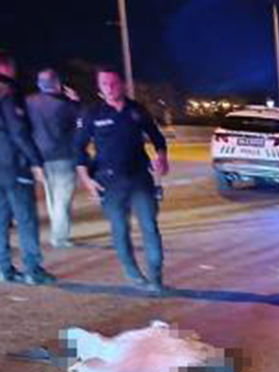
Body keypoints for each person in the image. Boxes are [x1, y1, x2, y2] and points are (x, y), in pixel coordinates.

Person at [74, 66, 169, 293]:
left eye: (113, 83)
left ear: (123, 84)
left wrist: (162, 158)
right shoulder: (93, 113)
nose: (109, 88)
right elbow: (78, 149)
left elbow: (157, 138)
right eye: (104, 84)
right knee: (120, 229)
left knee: (150, 227)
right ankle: (133, 272)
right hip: (109, 181)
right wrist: (86, 180)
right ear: (99, 87)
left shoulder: (137, 110)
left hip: (140, 179)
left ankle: (156, 277)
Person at [0, 50, 55, 285]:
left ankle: (4, 269)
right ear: (7, 67)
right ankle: (33, 269)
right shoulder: (8, 90)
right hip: (14, 165)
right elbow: (18, 131)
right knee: (26, 219)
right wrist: (35, 161)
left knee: (0, 220)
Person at [26, 68, 80, 248]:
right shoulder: (65, 104)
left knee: (52, 199)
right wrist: (75, 101)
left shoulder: (29, 102)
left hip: (41, 158)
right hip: (64, 156)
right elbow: (81, 121)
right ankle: (60, 237)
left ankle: (59, 233)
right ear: (57, 83)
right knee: (62, 199)